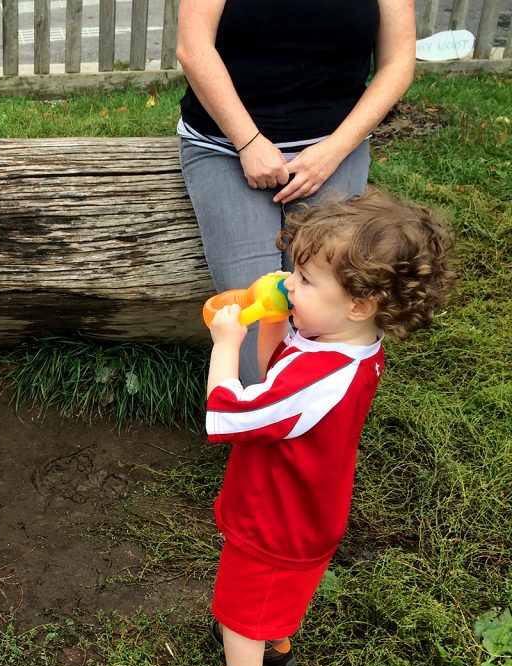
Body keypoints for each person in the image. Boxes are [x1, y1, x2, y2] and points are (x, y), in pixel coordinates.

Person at [183, 191, 455, 666]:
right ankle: (275, 641)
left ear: (359, 303)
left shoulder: (318, 378)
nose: (288, 284)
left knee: (238, 607)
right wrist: (272, 324)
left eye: (305, 281)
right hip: (311, 510)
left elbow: (230, 413)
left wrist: (224, 343)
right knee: (286, 584)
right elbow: (276, 380)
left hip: (272, 518)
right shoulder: (353, 346)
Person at [176, 0, 416, 385]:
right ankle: (261, 423)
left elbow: (399, 61)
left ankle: (317, 420)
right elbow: (193, 47)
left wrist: (335, 150)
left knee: (334, 299)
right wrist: (248, 141)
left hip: (335, 148)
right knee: (256, 304)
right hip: (227, 146)